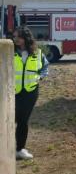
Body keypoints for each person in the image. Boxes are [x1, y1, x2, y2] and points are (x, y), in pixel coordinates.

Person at [13, 26, 49, 160]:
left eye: (19, 37)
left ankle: (19, 149)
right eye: (14, 36)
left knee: (23, 121)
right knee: (9, 120)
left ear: (26, 38)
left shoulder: (37, 53)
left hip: (30, 92)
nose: (16, 39)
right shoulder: (8, 52)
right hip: (12, 92)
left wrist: (40, 77)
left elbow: (45, 67)